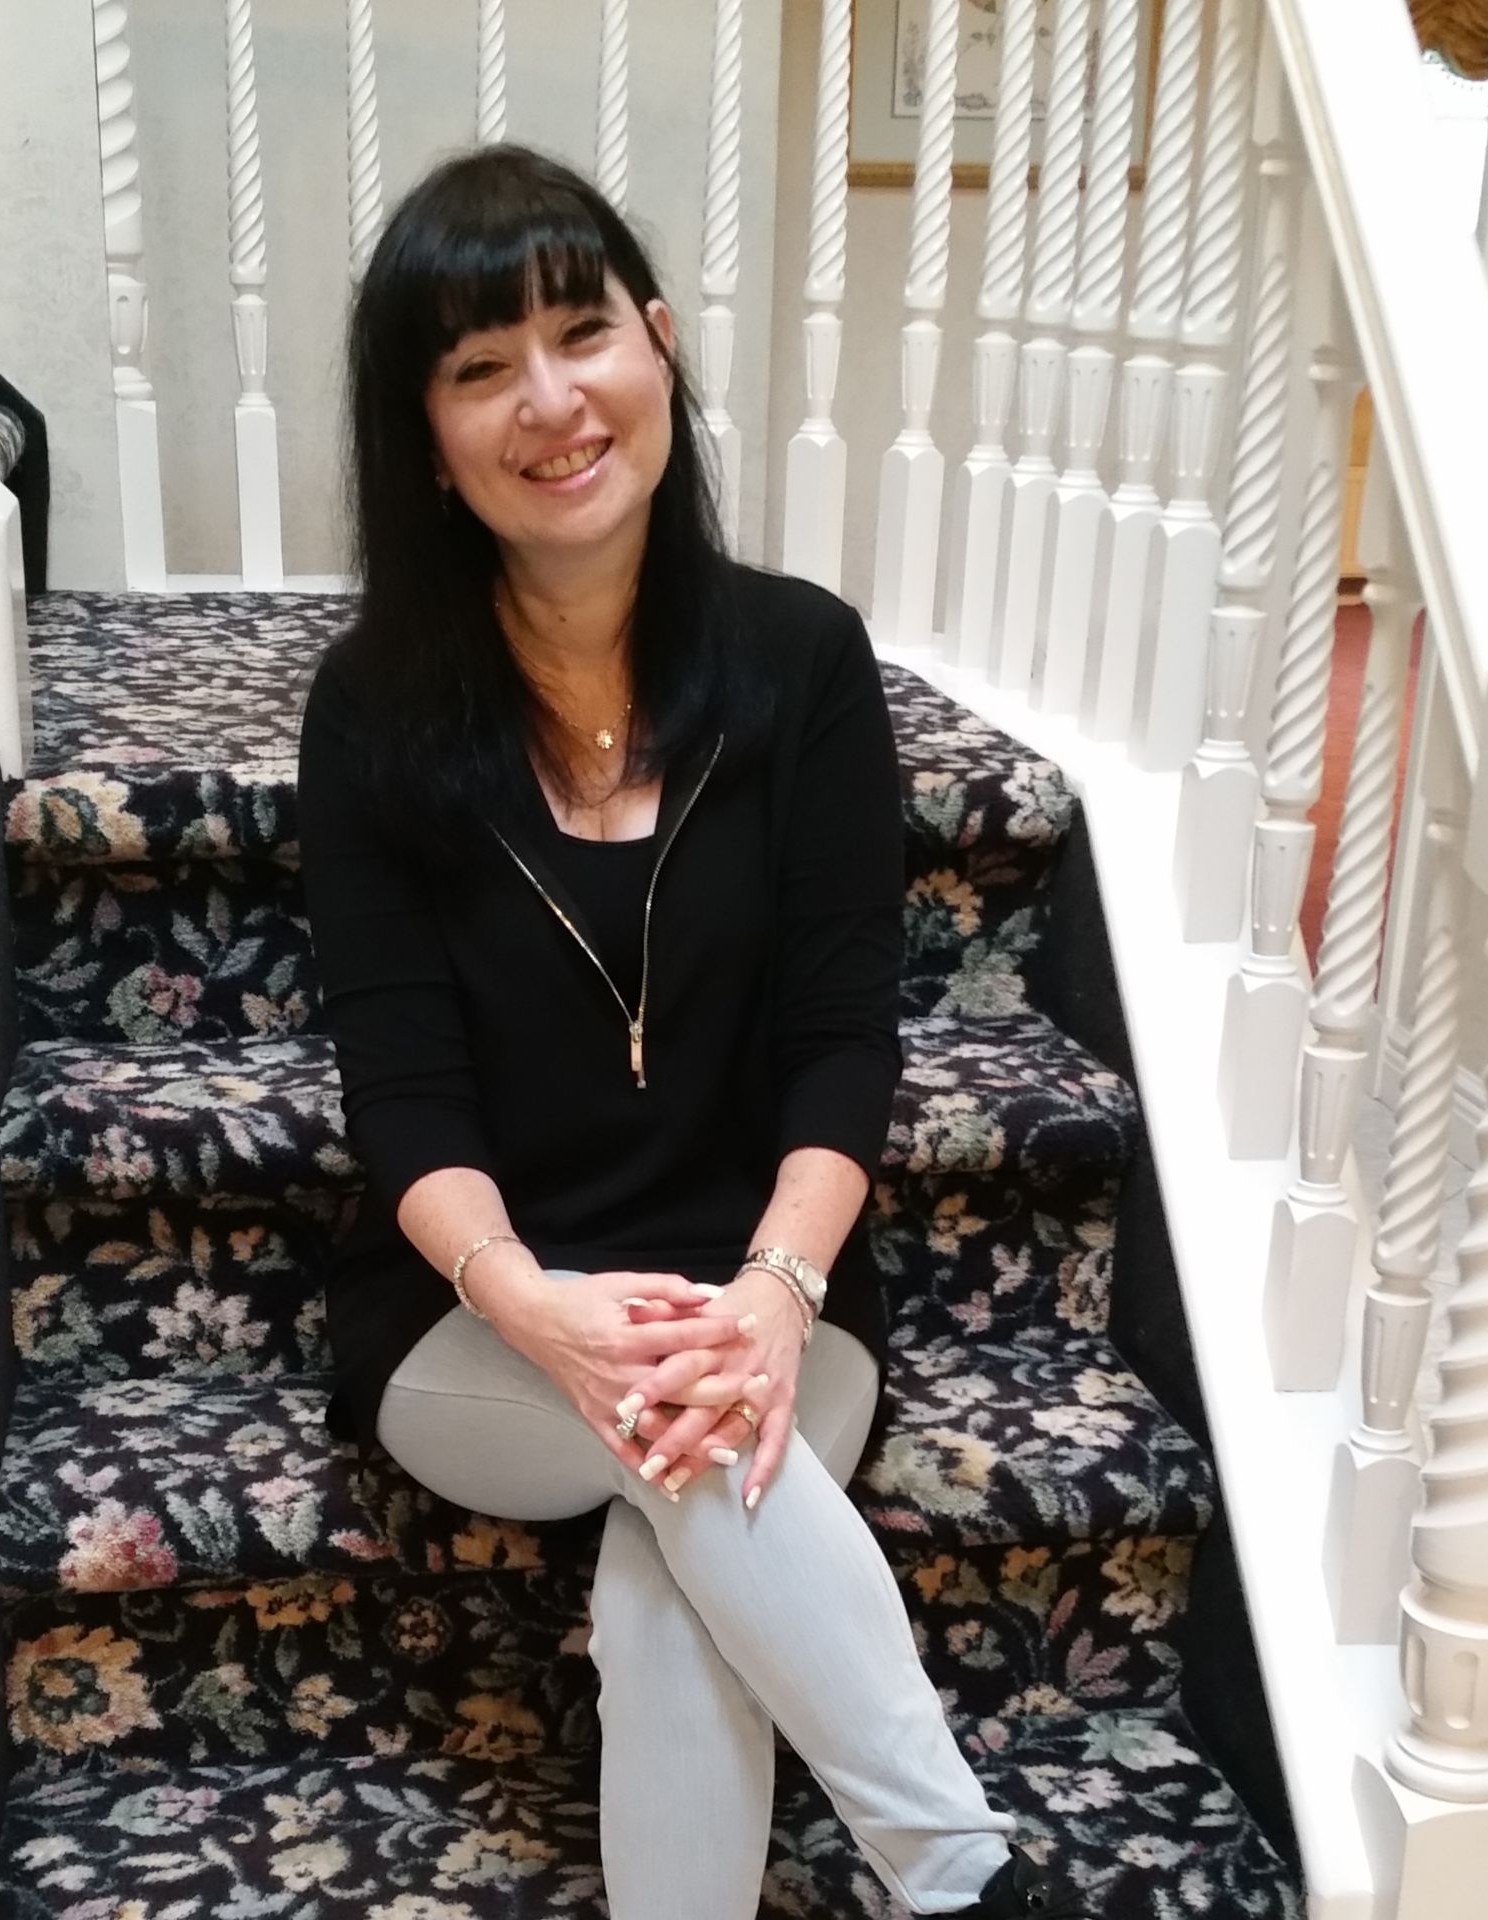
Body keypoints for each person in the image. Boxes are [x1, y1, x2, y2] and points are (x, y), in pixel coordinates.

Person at [296, 144, 1085, 1919]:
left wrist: (774, 1294)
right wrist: (538, 1308)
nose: (550, 400)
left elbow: (842, 1041)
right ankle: (963, 1878)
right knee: (703, 1449)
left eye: (583, 334)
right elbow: (401, 1090)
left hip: (770, 1287)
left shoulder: (802, 664)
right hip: (475, 1315)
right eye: (481, 366)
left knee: (672, 1576)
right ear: (428, 437)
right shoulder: (374, 714)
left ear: (659, 344)